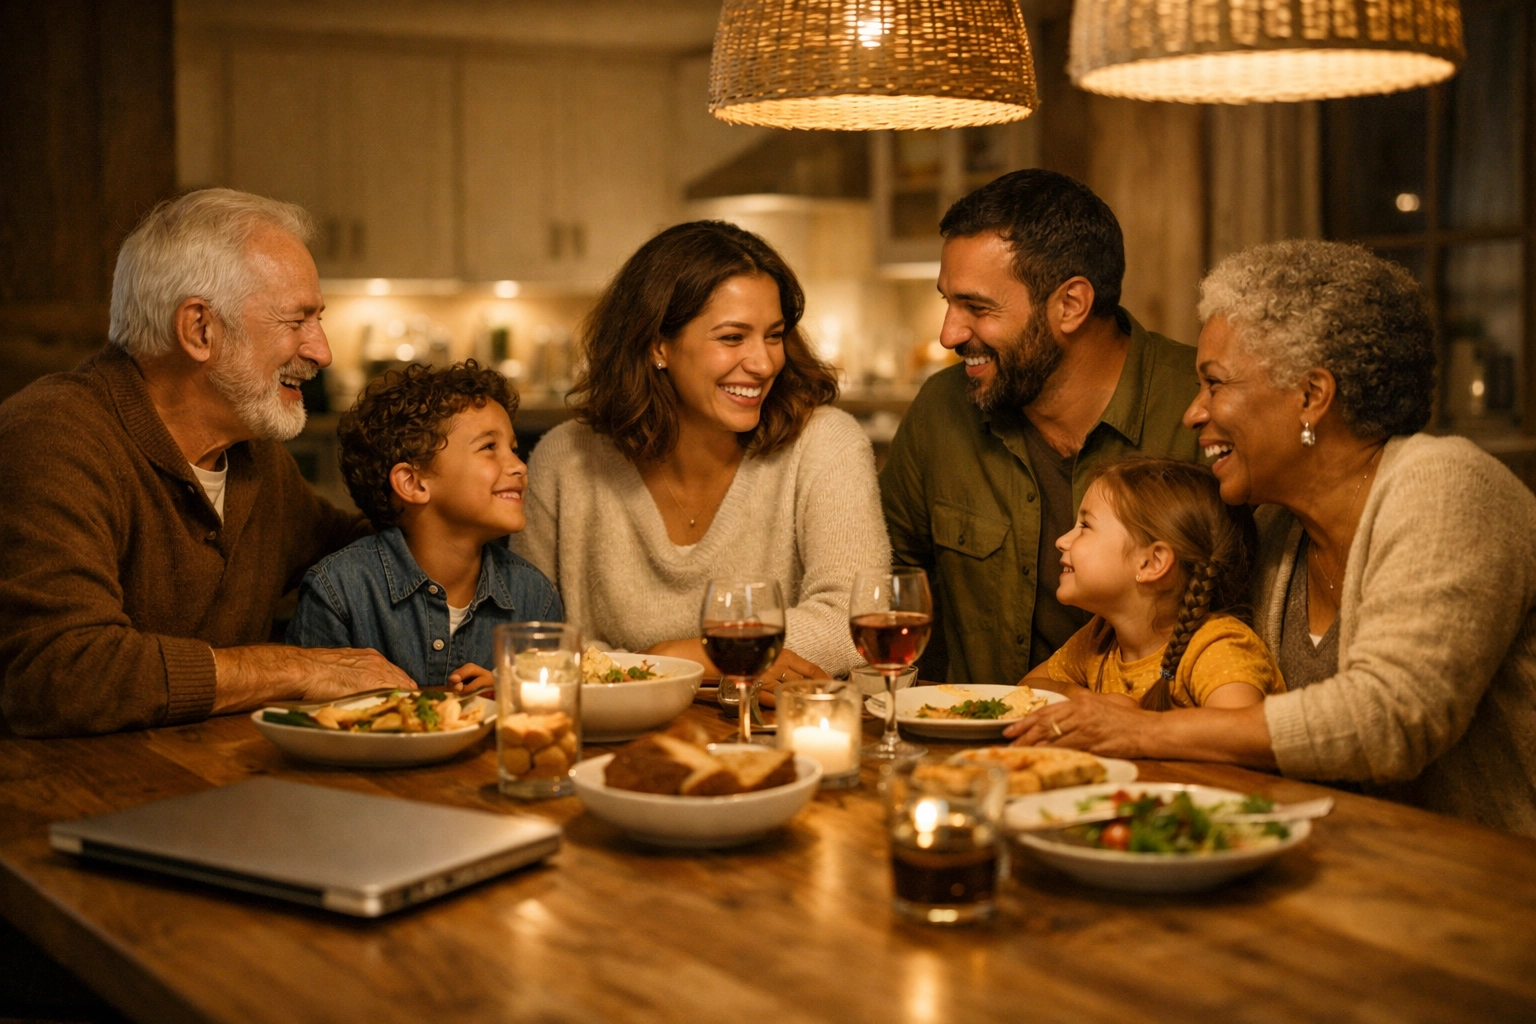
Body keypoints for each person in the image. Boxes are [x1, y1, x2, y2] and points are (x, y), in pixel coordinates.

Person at [1006, 240, 1536, 837]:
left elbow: (1391, 720)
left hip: (1489, 887)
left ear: (1312, 396)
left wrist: (1143, 729)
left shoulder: (1446, 486)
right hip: (1330, 862)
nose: (1193, 414)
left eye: (1215, 383)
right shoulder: (1277, 529)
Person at [0, 188, 415, 738]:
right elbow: (58, 674)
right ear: (199, 329)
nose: (322, 351)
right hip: (76, 803)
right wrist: (294, 667)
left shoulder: (255, 459)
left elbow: (361, 554)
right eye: (297, 321)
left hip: (210, 792)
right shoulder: (53, 435)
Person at [516, 220, 890, 685]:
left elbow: (856, 619)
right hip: (605, 740)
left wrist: (684, 654)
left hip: (776, 739)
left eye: (773, 335)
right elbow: (531, 643)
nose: (763, 362)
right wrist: (677, 664)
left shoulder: (826, 443)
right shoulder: (564, 460)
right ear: (658, 345)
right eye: (732, 338)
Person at [881, 169, 1202, 687]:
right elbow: (883, 585)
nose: (948, 334)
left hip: (1161, 756)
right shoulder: (942, 413)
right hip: (972, 756)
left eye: (978, 308)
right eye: (948, 302)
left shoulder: (1200, 410)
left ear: (1071, 304)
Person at [286, 362, 562, 689]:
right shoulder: (338, 592)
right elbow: (310, 721)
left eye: (514, 450)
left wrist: (512, 689)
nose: (518, 466)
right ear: (413, 483)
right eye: (489, 447)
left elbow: (551, 712)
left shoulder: (534, 596)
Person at [1025, 459, 1284, 710]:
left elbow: (1239, 738)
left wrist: (1136, 727)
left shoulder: (1218, 647)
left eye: (1085, 526)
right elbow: (1027, 689)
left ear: (1152, 563)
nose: (1062, 541)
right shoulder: (1101, 637)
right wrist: (1078, 696)